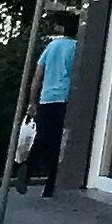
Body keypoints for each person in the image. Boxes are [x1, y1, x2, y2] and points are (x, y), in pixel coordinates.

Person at [26, 10, 80, 196]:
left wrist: (32, 101)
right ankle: (50, 184)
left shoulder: (51, 46)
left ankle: (28, 168)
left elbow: (37, 76)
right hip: (64, 98)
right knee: (58, 143)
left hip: (46, 98)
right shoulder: (76, 48)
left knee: (42, 137)